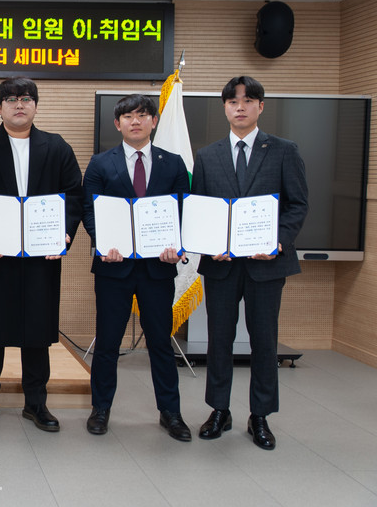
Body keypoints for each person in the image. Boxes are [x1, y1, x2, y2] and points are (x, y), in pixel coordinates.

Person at [0, 77, 83, 431]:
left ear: (36, 106)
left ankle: (36, 402)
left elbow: (74, 194)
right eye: (11, 99)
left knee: (37, 328)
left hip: (41, 258)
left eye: (26, 98)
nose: (19, 104)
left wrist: (64, 234)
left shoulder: (57, 147)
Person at [193, 76, 308, 450]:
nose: (239, 107)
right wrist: (208, 244)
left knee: (264, 341)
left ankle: (260, 415)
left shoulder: (284, 150)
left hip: (267, 264)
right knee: (219, 340)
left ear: (261, 106)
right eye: (232, 101)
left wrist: (278, 242)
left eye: (247, 100)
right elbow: (200, 210)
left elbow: (297, 204)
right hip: (221, 265)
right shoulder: (207, 155)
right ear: (224, 107)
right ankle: (219, 410)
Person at [81, 93, 191, 441]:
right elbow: (89, 211)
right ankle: (101, 409)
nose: (136, 121)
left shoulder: (173, 164)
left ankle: (171, 412)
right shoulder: (100, 163)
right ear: (118, 124)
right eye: (128, 116)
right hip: (113, 268)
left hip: (158, 268)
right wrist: (102, 243)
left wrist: (177, 246)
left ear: (154, 121)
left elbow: (183, 211)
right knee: (108, 342)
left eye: (143, 115)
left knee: (160, 342)